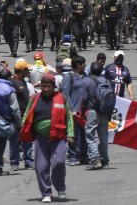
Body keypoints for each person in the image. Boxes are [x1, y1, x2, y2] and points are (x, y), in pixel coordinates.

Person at [20, 73, 74, 203]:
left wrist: (71, 134)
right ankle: (46, 192)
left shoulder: (62, 98)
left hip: (59, 137)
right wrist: (23, 130)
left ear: (53, 86)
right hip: (41, 138)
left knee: (59, 163)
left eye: (48, 86)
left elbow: (69, 117)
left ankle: (60, 188)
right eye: (43, 86)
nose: (45, 89)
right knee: (41, 166)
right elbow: (26, 115)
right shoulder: (34, 98)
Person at [61, 55, 94, 166]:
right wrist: (71, 109)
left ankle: (84, 156)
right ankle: (73, 156)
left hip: (85, 112)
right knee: (73, 134)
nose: (85, 65)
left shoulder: (86, 76)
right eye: (83, 64)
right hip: (73, 112)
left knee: (85, 134)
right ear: (78, 65)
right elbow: (65, 94)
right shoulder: (68, 77)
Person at [85, 61, 111, 170]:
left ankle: (95, 159)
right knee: (104, 136)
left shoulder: (88, 81)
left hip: (93, 111)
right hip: (105, 111)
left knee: (90, 134)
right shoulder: (106, 81)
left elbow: (84, 96)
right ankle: (104, 159)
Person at [9, 60, 35, 170]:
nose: (28, 71)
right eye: (26, 69)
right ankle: (14, 162)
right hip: (16, 117)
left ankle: (28, 160)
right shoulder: (12, 82)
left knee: (28, 139)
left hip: (27, 115)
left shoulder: (24, 81)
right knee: (15, 140)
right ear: (22, 70)